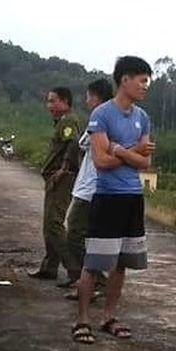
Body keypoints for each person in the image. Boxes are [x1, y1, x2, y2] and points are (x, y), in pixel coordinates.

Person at [73, 56, 154, 344]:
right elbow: (101, 160)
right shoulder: (102, 115)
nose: (145, 86)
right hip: (107, 197)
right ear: (124, 80)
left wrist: (120, 149)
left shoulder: (142, 117)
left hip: (133, 197)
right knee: (94, 262)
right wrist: (130, 151)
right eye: (142, 80)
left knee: (120, 263)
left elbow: (145, 164)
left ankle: (108, 315)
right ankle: (82, 319)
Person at [60, 78, 114, 290]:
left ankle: (94, 279)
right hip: (94, 185)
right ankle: (90, 281)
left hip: (91, 186)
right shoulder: (111, 118)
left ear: (97, 97)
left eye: (89, 96)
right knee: (87, 235)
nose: (87, 100)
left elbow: (83, 143)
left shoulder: (100, 118)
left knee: (74, 233)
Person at [28, 87, 83, 280]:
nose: (49, 105)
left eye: (53, 101)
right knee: (48, 223)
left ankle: (73, 267)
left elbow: (74, 142)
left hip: (63, 178)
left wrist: (64, 168)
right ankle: (50, 266)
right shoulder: (61, 122)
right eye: (48, 101)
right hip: (56, 178)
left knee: (54, 223)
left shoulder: (68, 121)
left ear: (65, 102)